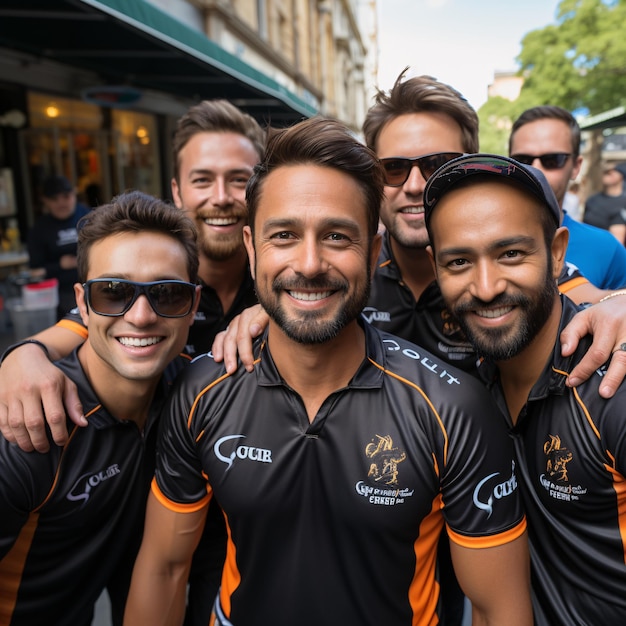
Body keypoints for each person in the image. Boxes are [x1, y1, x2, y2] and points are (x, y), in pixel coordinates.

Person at [213, 71, 626, 623]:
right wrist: (275, 310)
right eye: (392, 168)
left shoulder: (552, 302)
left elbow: (572, 288)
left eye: (435, 166)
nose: (412, 184)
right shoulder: (335, 282)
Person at [124, 116, 533, 626]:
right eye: (285, 235)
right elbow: (164, 569)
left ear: (375, 250)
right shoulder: (201, 390)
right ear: (252, 250)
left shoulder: (453, 409)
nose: (311, 262)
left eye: (337, 236)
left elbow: (499, 610)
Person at [0, 99, 265, 626]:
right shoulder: (38, 429)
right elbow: (96, 330)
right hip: (138, 539)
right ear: (176, 190)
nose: (141, 315)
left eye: (239, 180)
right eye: (115, 291)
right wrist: (22, 354)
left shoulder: (288, 287)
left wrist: (281, 314)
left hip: (230, 532)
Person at [423, 152, 626, 625]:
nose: (487, 286)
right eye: (459, 261)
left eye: (511, 253)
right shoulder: (469, 379)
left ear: (557, 252)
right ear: (435, 267)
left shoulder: (612, 384)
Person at [0, 190, 200, 625]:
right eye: (113, 292)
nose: (142, 315)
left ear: (193, 306)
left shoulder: (191, 391)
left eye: (167, 294)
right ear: (82, 304)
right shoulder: (28, 428)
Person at [509, 105, 626, 289]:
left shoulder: (608, 251)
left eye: (552, 160)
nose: (536, 169)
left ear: (576, 166)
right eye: (522, 160)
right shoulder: (477, 241)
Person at [27, 174, 91, 318]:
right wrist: (61, 265)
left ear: (74, 194)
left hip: (92, 282)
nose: (61, 203)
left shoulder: (90, 217)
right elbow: (35, 272)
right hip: (59, 292)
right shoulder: (39, 230)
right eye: (55, 199)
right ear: (45, 201)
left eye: (66, 196)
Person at [583, 162, 626, 245]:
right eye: (606, 171)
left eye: (613, 170)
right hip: (587, 247)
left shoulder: (623, 202)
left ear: (622, 176)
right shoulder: (592, 200)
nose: (608, 172)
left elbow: (617, 244)